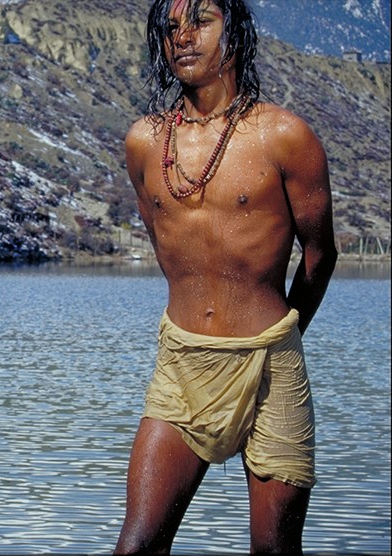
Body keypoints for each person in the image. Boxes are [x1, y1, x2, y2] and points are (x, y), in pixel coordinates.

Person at [115, 0, 338, 553]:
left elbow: (320, 253)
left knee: (274, 550)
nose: (182, 37)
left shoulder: (284, 136)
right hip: (183, 366)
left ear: (234, 32)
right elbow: (166, 242)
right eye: (171, 27)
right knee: (137, 546)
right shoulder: (145, 142)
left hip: (272, 367)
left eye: (201, 21)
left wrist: (281, 334)